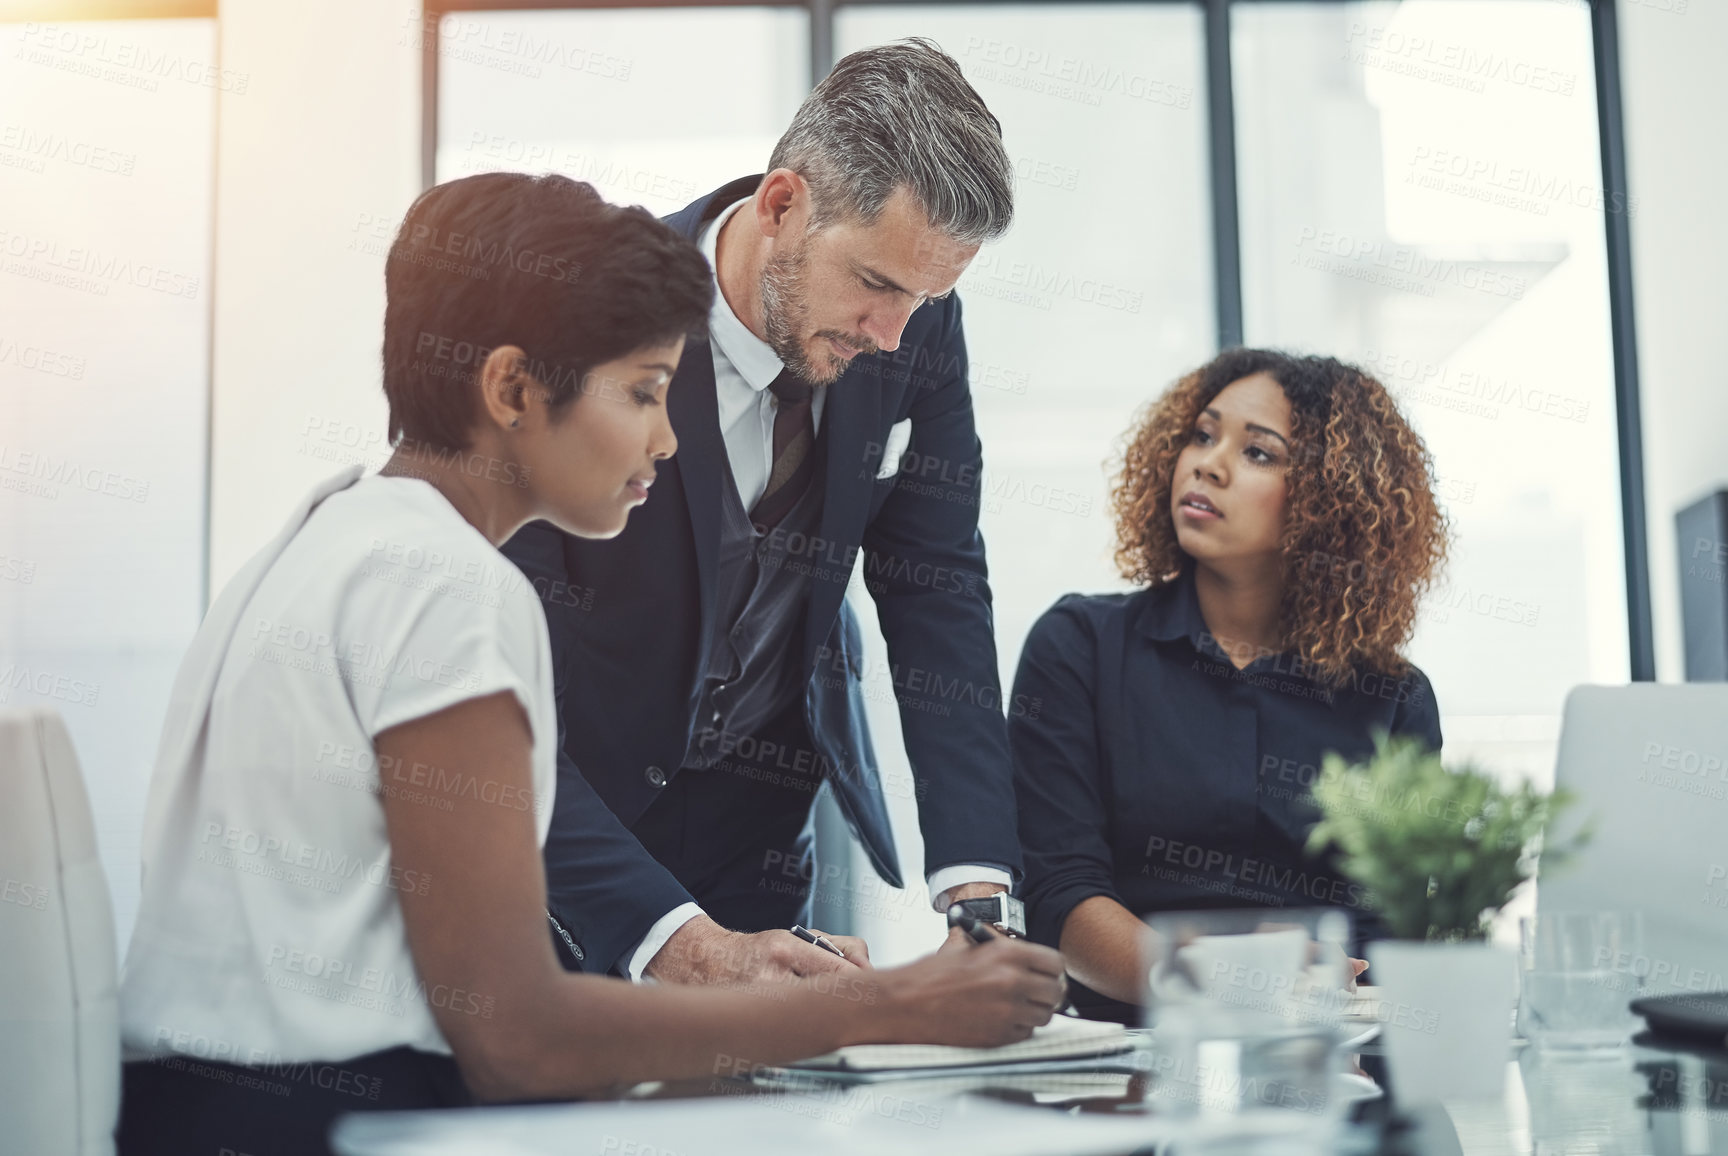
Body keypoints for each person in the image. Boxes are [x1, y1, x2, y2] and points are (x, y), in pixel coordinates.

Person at [115, 173, 1065, 1156]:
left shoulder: (326, 531)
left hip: (197, 1109)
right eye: (646, 393)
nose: (667, 436)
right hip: (325, 1123)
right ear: (513, 388)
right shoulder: (450, 586)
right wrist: (889, 1001)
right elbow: (520, 1038)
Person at [501, 38, 1026, 987]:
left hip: (762, 816)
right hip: (570, 818)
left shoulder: (917, 329)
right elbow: (506, 667)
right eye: (875, 284)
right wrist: (670, 939)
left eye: (929, 296)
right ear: (783, 205)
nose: (893, 336)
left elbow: (936, 580)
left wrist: (977, 887)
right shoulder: (588, 311)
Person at [1010, 349, 1448, 1023]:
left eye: (1259, 453)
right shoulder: (1079, 647)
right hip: (1125, 1064)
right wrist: (1231, 978)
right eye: (1203, 434)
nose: (1207, 463)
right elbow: (1059, 896)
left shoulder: (1392, 696)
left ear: (1330, 501)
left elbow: (1390, 929)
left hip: (1329, 1054)